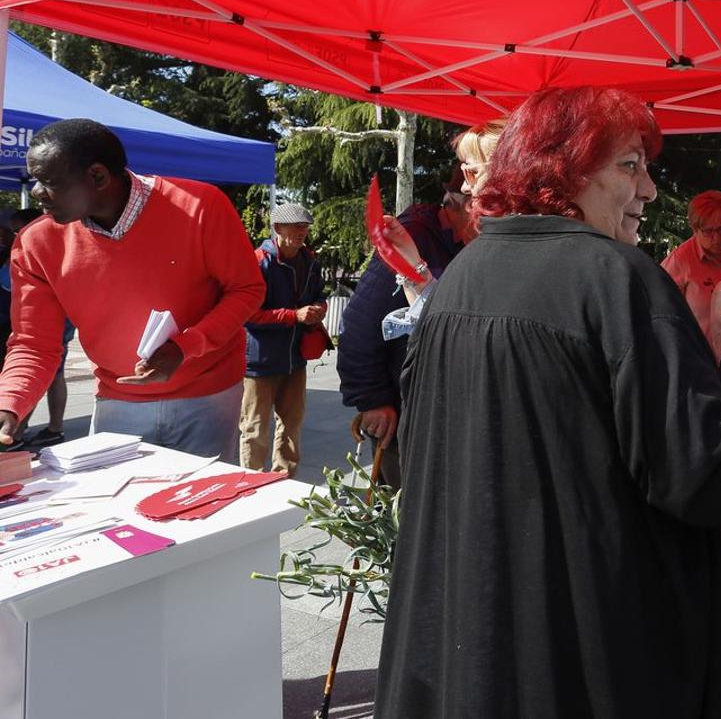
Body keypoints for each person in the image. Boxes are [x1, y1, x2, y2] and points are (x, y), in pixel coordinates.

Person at [374, 86, 721, 719]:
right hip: (599, 657)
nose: (647, 190)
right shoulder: (619, 278)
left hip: (480, 646)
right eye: (629, 166)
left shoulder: (462, 278)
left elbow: (429, 457)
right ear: (564, 166)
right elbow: (707, 475)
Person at [0, 119, 264, 457]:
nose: (37, 192)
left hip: (208, 396)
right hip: (118, 399)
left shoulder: (199, 205)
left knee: (204, 507)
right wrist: (10, 401)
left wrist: (186, 346)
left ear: (97, 176)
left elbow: (246, 289)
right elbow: (35, 344)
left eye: (49, 181)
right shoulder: (36, 243)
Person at [336, 121, 502, 487]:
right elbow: (359, 324)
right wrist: (372, 399)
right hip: (405, 411)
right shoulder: (416, 237)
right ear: (457, 204)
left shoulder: (458, 244)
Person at [239, 202, 328, 476]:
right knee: (254, 428)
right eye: (295, 226)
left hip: (295, 360)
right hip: (260, 362)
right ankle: (249, 484)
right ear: (277, 228)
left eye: (305, 227)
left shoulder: (309, 261)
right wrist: (294, 316)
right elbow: (248, 315)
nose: (302, 232)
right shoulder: (258, 262)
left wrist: (320, 309)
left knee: (292, 425)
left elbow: (318, 295)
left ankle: (284, 482)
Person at [2, 208, 73, 448]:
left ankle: (26, 431)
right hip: (45, 333)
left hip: (56, 328)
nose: (37, 189)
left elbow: (37, 348)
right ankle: (24, 429)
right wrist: (9, 404)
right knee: (47, 376)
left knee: (52, 376)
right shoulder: (27, 251)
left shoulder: (42, 247)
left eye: (16, 230)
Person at [662, 189, 721, 337]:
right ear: (695, 229)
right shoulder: (679, 261)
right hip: (704, 355)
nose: (717, 239)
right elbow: (663, 313)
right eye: (708, 231)